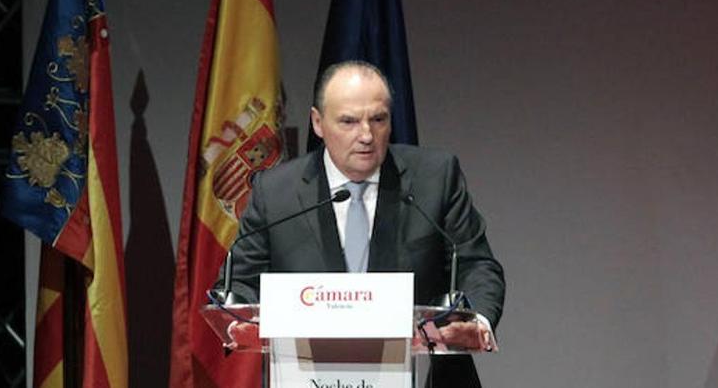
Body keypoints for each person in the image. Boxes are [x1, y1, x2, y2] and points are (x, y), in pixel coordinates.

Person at [216, 60, 505, 386]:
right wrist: (236, 318)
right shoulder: (276, 193)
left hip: (422, 375)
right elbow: (240, 281)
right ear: (318, 122)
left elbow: (476, 265)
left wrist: (476, 321)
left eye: (378, 120)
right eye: (349, 122)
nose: (366, 135)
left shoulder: (435, 178)